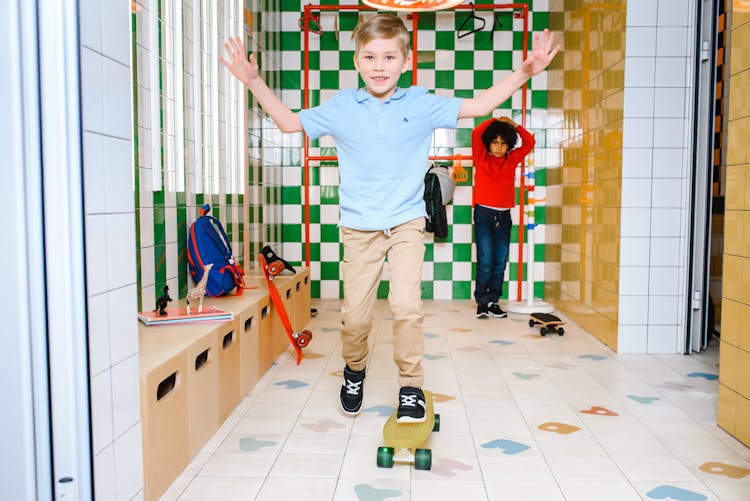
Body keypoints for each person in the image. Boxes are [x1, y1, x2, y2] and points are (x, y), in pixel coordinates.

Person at [220, 14, 559, 423]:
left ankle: (411, 386)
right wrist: (254, 82)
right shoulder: (343, 106)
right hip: (358, 227)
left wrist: (524, 70)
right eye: (370, 57)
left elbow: (482, 105)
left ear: (406, 60)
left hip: (406, 223)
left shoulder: (420, 103)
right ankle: (354, 370)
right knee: (355, 316)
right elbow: (290, 123)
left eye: (389, 56)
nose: (379, 65)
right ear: (357, 61)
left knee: (406, 308)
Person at [471, 116, 535, 319]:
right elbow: (475, 133)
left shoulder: (512, 159)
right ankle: (482, 302)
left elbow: (530, 142)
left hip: (504, 216)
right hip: (484, 215)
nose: (499, 147)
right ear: (489, 143)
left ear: (509, 145)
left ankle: (494, 302)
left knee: (500, 262)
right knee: (486, 261)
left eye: (503, 143)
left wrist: (513, 125)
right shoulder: (481, 158)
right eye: (495, 142)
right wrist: (494, 120)